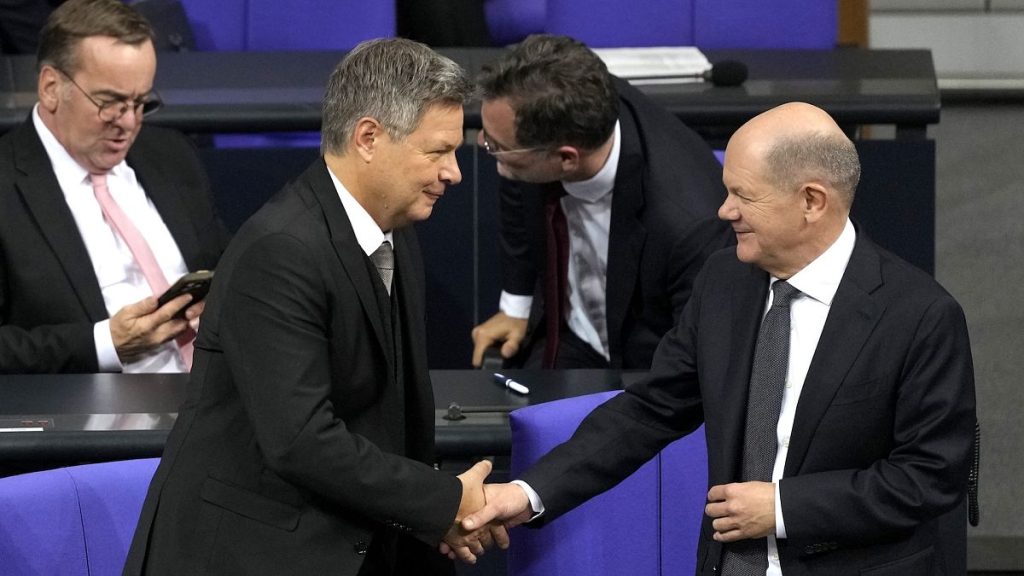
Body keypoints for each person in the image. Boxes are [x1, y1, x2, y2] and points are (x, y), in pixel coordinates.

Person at [462, 102, 977, 575]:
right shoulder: (723, 281)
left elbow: (929, 476)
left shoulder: (920, 316)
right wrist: (528, 493)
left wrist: (781, 508)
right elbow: (651, 410)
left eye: (743, 195)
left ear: (812, 201)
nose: (723, 210)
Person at [124, 38, 505, 575]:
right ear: (369, 137)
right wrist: (442, 500)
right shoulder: (280, 251)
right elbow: (301, 442)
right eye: (436, 151)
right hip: (250, 554)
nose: (454, 173)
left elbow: (389, 414)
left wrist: (430, 515)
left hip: (353, 539)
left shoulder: (396, 231)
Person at [470, 34, 733, 370]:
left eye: (496, 147)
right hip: (565, 333)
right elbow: (516, 190)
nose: (485, 148)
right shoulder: (561, 105)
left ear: (566, 159)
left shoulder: (688, 224)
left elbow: (692, 364)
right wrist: (516, 307)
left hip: (644, 366)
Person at [0, 0, 228, 374]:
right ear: (51, 88)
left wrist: (221, 305)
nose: (128, 123)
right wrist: (105, 344)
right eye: (110, 103)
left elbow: (227, 266)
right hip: (95, 414)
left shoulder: (171, 155)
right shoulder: (7, 183)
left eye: (141, 103)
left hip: (215, 396)